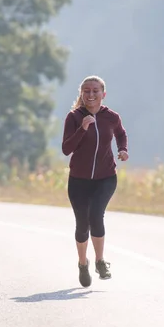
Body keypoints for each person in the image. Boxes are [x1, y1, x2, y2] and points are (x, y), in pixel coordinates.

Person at [61, 75, 128, 288]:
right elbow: (66, 149)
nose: (91, 95)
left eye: (95, 91)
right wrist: (83, 128)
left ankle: (100, 261)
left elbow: (121, 134)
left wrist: (123, 149)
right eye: (87, 91)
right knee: (82, 224)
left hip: (106, 178)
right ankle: (83, 263)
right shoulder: (74, 117)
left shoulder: (111, 117)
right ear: (81, 94)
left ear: (103, 94)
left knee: (96, 215)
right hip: (79, 180)